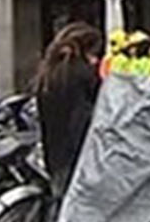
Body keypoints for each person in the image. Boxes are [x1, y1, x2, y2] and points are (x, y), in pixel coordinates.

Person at [35, 22, 103, 196]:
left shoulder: (50, 73)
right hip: (77, 158)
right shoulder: (82, 74)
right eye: (95, 54)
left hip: (55, 155)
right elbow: (82, 120)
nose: (96, 60)